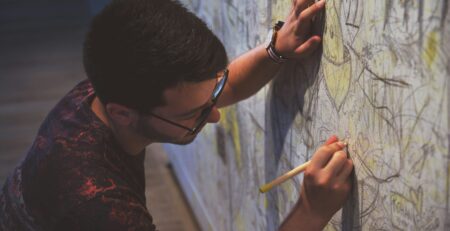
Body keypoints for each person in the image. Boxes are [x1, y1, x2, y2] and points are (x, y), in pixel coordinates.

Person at [0, 0, 353, 230]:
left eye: (210, 96)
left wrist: (276, 50)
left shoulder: (111, 85)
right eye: (194, 114)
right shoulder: (101, 207)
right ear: (123, 114)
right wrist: (311, 209)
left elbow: (218, 88)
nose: (214, 116)